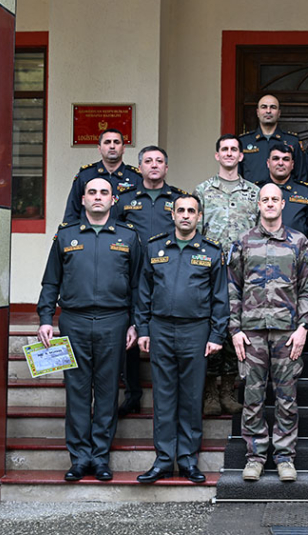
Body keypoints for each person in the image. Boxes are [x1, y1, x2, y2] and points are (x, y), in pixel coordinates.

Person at [37, 177, 142, 482]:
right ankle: (80, 458)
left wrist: (135, 323)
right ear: (82, 199)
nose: (98, 197)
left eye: (104, 192)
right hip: (74, 321)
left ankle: (100, 457)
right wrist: (45, 318)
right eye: (92, 192)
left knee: (108, 392)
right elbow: (51, 281)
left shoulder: (128, 237)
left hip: (114, 321)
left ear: (113, 200)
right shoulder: (66, 235)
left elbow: (138, 285)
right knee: (77, 391)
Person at [134, 194, 228, 484]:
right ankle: (163, 460)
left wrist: (216, 334)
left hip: (195, 331)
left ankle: (187, 459)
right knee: (163, 398)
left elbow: (220, 298)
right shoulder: (154, 248)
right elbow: (143, 293)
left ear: (199, 216)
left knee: (191, 397)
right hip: (161, 329)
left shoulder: (212, 252)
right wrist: (143, 329)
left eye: (191, 211)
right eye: (181, 210)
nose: (185, 215)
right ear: (172, 215)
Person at [228, 183, 308, 483]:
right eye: (264, 199)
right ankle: (254, 457)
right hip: (251, 332)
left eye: (274, 199)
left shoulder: (299, 242)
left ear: (282, 204)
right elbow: (232, 288)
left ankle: (284, 457)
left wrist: (304, 327)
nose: (269, 203)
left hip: (287, 332)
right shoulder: (243, 242)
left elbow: (307, 289)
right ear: (258, 204)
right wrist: (235, 329)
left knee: (286, 398)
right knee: (252, 396)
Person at [116, 145, 189, 417]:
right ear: (140, 167)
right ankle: (132, 393)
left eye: (159, 161)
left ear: (166, 168)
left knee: (167, 332)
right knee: (130, 331)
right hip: (132, 274)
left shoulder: (179, 199)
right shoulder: (125, 199)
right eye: (148, 161)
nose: (154, 165)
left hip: (168, 275)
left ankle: (172, 397)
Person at [193, 134, 259, 416]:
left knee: (237, 327)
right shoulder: (202, 190)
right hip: (211, 270)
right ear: (217, 155)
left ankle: (228, 389)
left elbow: (259, 232)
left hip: (242, 272)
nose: (230, 153)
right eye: (225, 149)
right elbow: (195, 231)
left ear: (241, 156)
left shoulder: (254, 192)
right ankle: (209, 391)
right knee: (212, 325)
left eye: (234, 149)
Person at [63, 128, 140, 222]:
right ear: (99, 148)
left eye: (116, 142)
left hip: (126, 230)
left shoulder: (136, 178)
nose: (112, 146)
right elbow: (72, 213)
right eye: (107, 142)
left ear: (123, 148)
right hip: (89, 230)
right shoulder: (85, 175)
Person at [239, 94, 305, 184]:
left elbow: (301, 176)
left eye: (273, 107)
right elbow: (237, 175)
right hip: (252, 192)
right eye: (264, 107)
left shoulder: (292, 141)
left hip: (284, 192)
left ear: (279, 113)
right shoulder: (244, 141)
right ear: (257, 112)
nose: (268, 111)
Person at [263, 142, 308, 238]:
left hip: (297, 246)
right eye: (276, 159)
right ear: (268, 163)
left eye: (286, 159)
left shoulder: (306, 193)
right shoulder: (257, 191)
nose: (280, 163)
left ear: (292, 164)